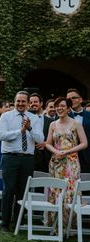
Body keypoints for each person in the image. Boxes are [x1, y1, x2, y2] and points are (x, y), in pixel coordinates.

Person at [0, 91, 44, 233]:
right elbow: (1, 136)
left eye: (23, 101)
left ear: (28, 103)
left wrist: (29, 128)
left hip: (27, 159)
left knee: (23, 191)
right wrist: (21, 131)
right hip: (10, 157)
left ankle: (18, 221)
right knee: (8, 190)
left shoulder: (34, 118)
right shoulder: (6, 116)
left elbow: (40, 139)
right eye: (18, 101)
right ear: (14, 101)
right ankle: (4, 224)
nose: (20, 104)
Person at [45, 97, 88, 228]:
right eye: (57, 106)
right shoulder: (53, 124)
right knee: (55, 190)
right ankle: (55, 224)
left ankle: (69, 225)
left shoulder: (76, 124)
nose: (59, 108)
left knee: (70, 191)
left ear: (68, 108)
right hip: (56, 162)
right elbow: (47, 143)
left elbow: (84, 143)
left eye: (62, 106)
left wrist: (68, 151)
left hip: (71, 163)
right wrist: (56, 151)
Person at [66, 89, 90, 173]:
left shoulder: (89, 115)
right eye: (68, 99)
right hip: (69, 157)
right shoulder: (63, 117)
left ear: (81, 99)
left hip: (88, 156)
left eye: (74, 98)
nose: (71, 100)